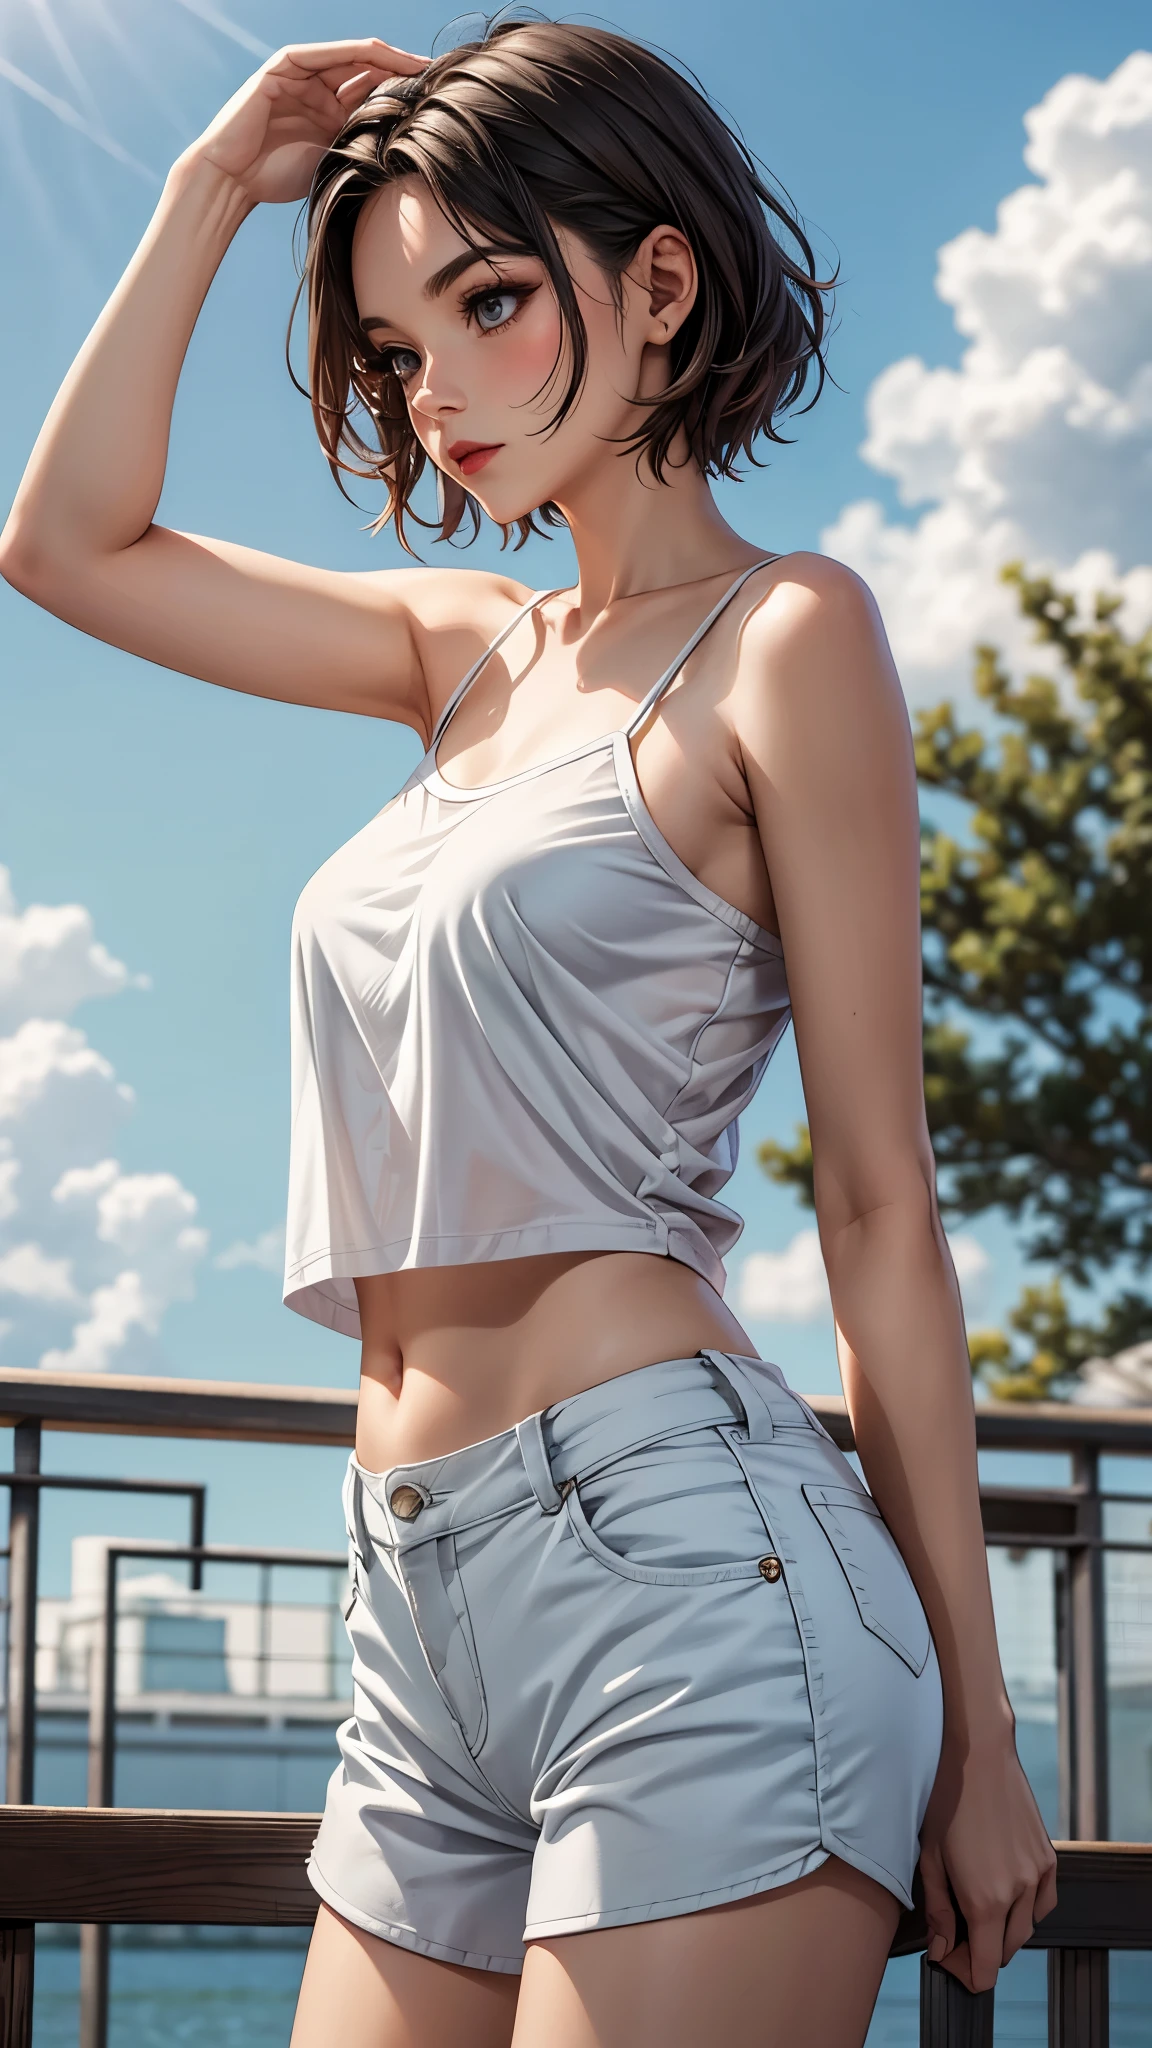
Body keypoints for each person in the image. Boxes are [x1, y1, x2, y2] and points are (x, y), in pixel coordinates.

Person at [0, 20, 1057, 2047]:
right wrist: (213, 184)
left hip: (688, 1571)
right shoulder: (460, 654)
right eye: (400, 346)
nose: (442, 387)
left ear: (660, 283)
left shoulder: (789, 637)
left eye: (489, 299)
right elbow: (65, 546)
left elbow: (879, 1204)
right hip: (412, 1594)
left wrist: (987, 1730)